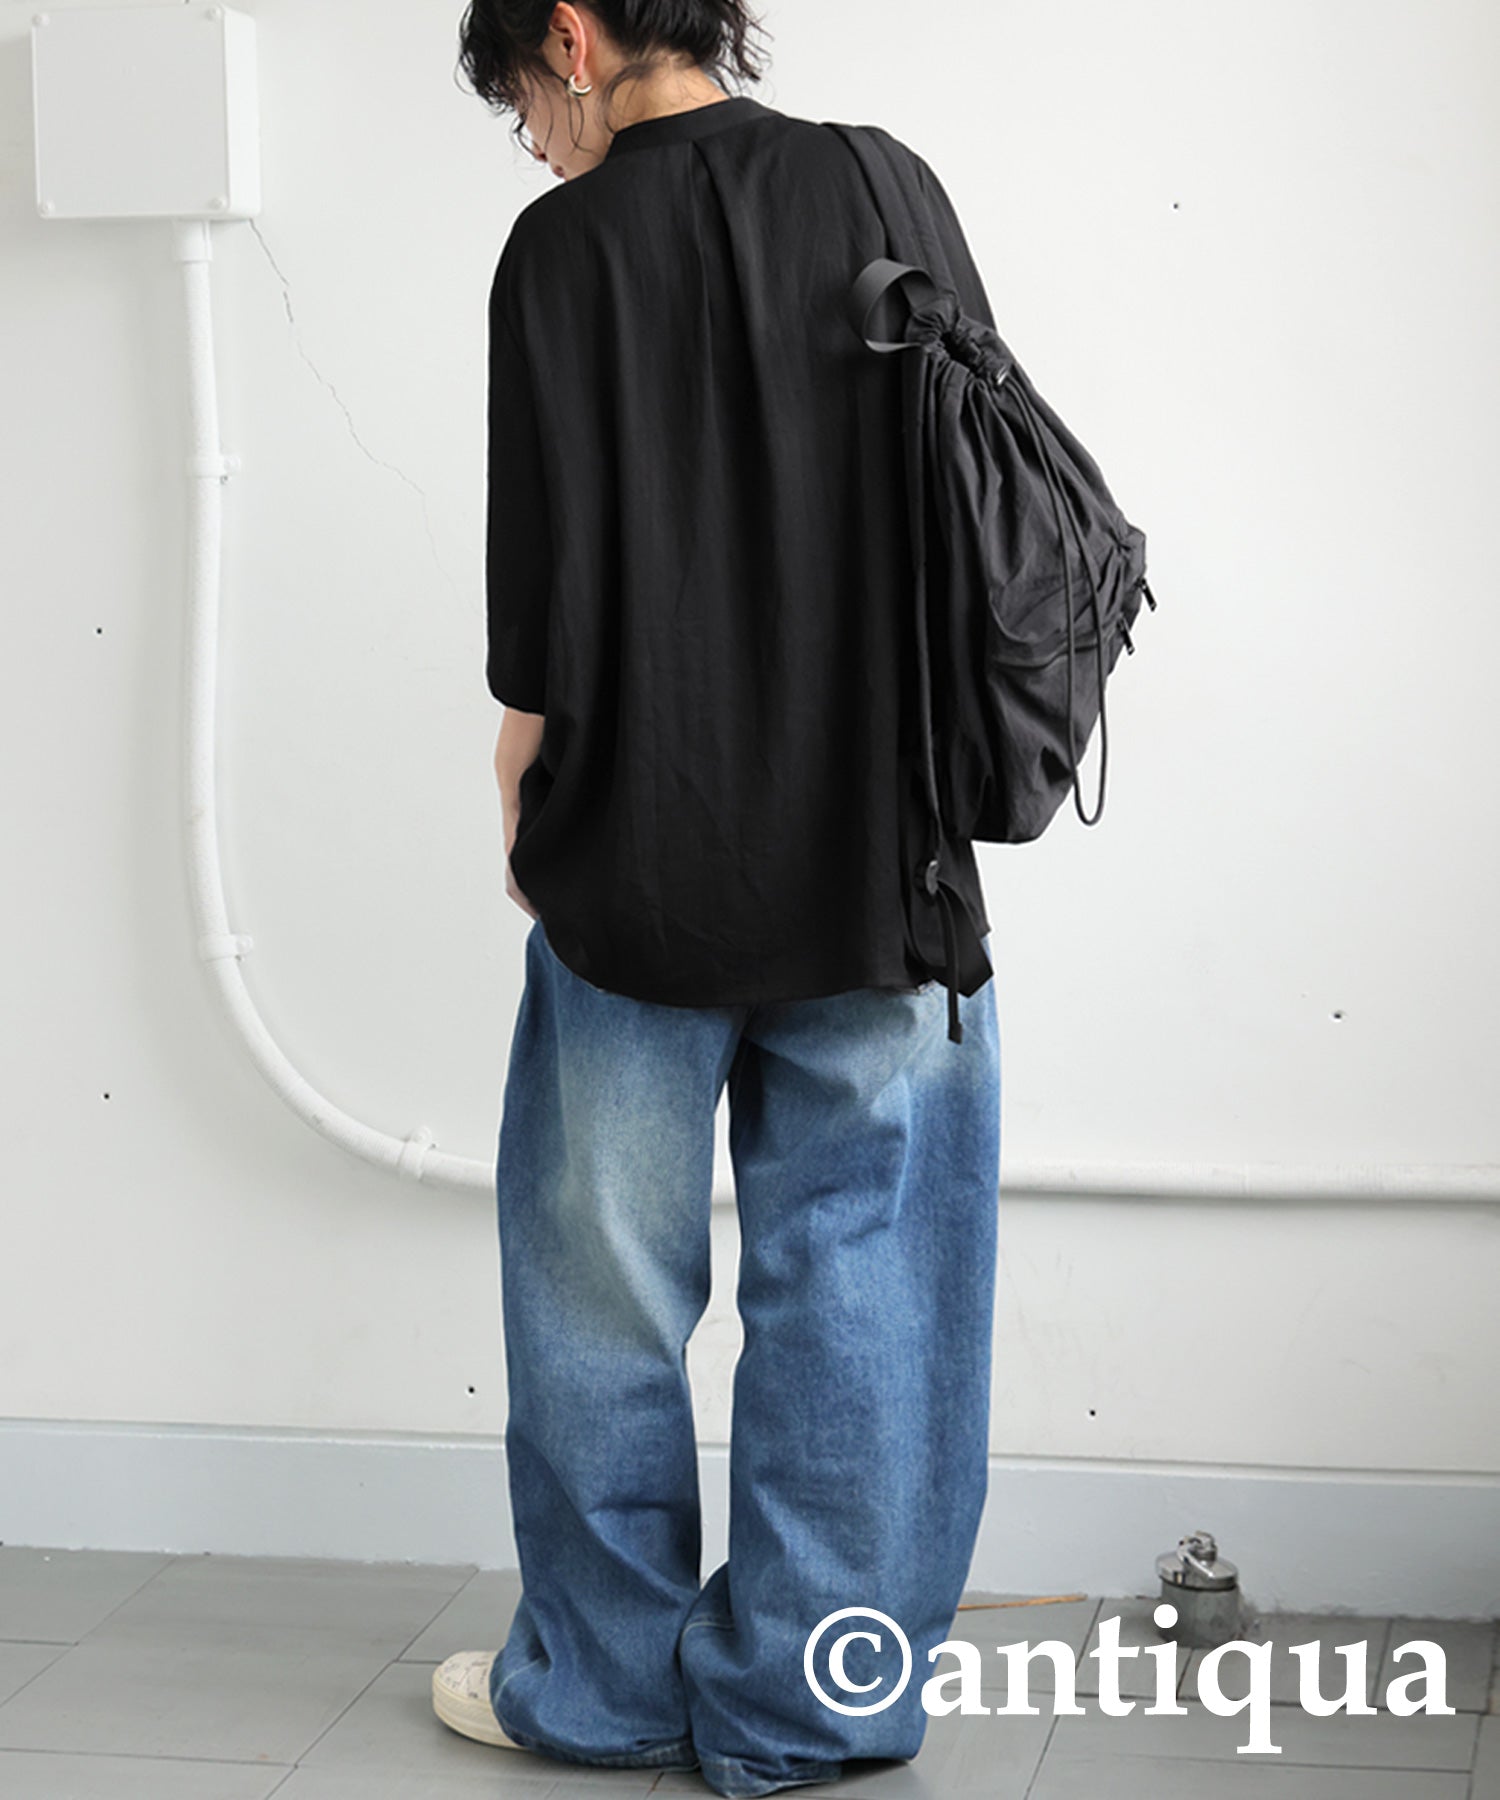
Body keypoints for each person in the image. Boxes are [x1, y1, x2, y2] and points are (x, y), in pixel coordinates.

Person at [434, 5, 1002, 1796]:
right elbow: (978, 510)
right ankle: (816, 1702)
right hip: (880, 854)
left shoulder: (560, 251)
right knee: (871, 1293)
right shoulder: (882, 183)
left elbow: (540, 600)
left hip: (638, 858)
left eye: (522, 102)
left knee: (598, 1292)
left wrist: (521, 787)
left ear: (570, 35)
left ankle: (606, 1690)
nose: (536, 142)